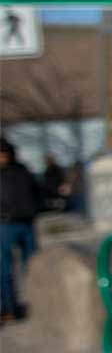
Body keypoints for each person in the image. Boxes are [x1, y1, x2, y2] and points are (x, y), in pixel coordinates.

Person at [0, 138, 40, 322]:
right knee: (5, 270)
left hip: (27, 223)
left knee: (33, 266)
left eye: (4, 153)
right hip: (5, 224)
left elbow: (37, 191)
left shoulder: (23, 171)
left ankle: (39, 304)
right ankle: (9, 308)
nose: (2, 157)